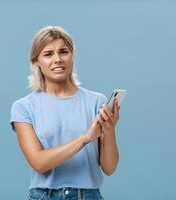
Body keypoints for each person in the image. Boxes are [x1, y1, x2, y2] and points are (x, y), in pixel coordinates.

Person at [10, 26, 120, 200]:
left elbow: (109, 168)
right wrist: (85, 138)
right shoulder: (23, 107)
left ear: (72, 56)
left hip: (88, 195)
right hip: (44, 196)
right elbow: (39, 163)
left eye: (63, 52)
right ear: (36, 61)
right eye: (48, 54)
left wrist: (109, 130)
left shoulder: (96, 102)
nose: (57, 59)